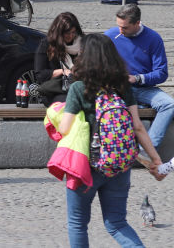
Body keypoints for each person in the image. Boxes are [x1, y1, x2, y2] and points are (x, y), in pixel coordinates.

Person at [57, 34, 163, 248]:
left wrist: (58, 113)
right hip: (119, 165)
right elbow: (138, 127)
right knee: (117, 223)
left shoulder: (79, 88)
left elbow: (64, 128)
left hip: (86, 167)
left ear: (85, 57)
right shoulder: (122, 86)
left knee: (78, 223)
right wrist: (156, 160)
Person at [104, 4, 174, 149]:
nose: (120, 30)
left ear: (137, 23)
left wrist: (137, 78)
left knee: (169, 104)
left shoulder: (153, 38)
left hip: (143, 88)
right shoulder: (110, 35)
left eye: (125, 27)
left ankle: (146, 150)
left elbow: (161, 73)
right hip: (115, 88)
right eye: (118, 26)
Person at [33, 12, 84, 105]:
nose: (71, 36)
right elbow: (40, 74)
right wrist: (63, 71)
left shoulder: (83, 43)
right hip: (56, 90)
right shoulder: (47, 44)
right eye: (67, 33)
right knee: (69, 102)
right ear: (59, 32)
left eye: (73, 32)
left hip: (80, 87)